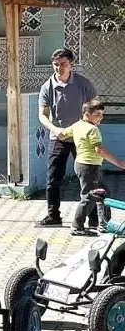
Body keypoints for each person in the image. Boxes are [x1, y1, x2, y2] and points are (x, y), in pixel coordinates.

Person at [38, 47, 98, 227]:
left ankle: (93, 217)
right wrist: (54, 129)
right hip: (59, 137)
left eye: (63, 64)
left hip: (81, 137)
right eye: (55, 65)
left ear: (71, 64)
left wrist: (90, 126)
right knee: (53, 178)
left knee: (88, 178)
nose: (59, 68)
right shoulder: (47, 86)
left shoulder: (83, 84)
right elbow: (42, 114)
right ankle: (53, 215)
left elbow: (95, 108)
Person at [58, 98, 123, 235]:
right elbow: (99, 150)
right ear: (87, 114)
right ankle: (77, 227)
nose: (101, 117)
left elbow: (62, 135)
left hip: (84, 165)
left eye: (102, 114)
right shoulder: (92, 130)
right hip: (89, 167)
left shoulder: (77, 125)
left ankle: (104, 225)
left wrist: (53, 128)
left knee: (103, 195)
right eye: (97, 114)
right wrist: (119, 163)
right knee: (89, 197)